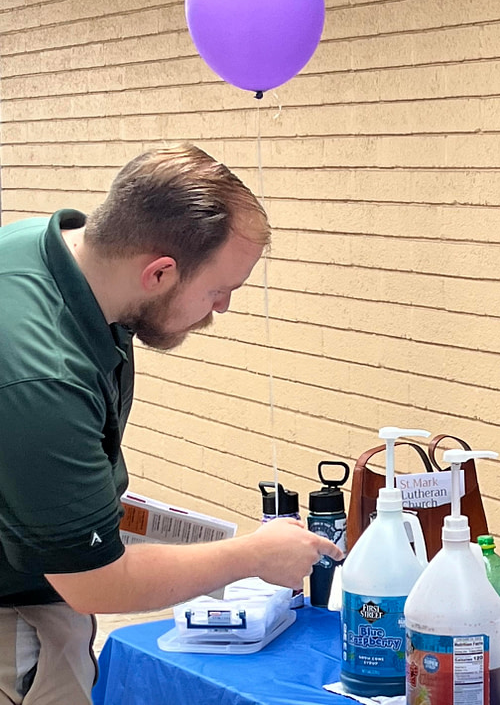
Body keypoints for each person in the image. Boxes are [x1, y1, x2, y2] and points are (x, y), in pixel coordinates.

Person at [0, 144, 342, 705]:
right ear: (159, 272)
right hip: (17, 614)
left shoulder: (54, 249)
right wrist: (255, 555)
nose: (222, 308)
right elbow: (94, 583)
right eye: (218, 290)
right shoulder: (44, 379)